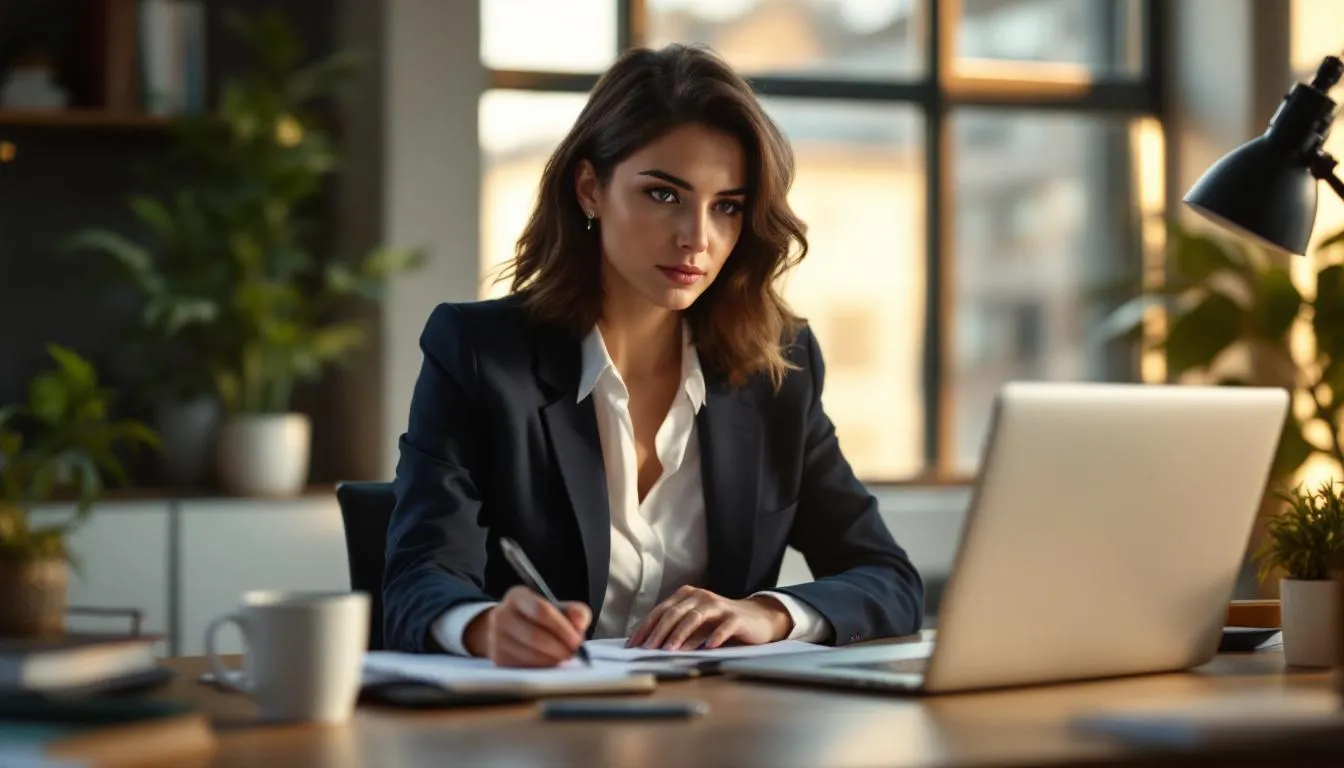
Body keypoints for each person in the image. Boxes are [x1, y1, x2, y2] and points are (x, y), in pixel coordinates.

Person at [383, 43, 925, 667]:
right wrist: (482, 627)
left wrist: (767, 613)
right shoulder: (479, 355)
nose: (697, 236)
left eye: (727, 207)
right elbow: (416, 581)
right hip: (531, 737)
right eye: (664, 195)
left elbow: (887, 578)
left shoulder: (780, 366)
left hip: (721, 735)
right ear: (590, 188)